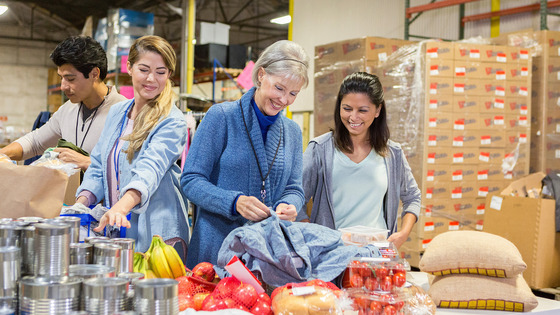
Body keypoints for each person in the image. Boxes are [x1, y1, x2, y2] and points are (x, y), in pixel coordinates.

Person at [181, 40, 309, 268]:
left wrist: (290, 205)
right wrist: (234, 202)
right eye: (279, 88)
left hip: (267, 255)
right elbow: (190, 181)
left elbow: (294, 188)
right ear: (261, 75)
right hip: (216, 250)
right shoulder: (221, 117)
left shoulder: (292, 132)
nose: (284, 100)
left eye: (293, 94)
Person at [75, 35, 189, 253]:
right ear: (129, 67)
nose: (152, 79)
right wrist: (81, 204)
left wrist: (121, 207)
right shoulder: (118, 112)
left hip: (158, 234)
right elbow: (99, 163)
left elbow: (150, 170)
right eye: (144, 69)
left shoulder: (171, 120)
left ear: (169, 75)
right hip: (119, 224)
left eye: (161, 72)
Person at [297, 72, 421, 249]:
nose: (353, 117)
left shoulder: (392, 154)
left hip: (376, 255)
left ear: (377, 110)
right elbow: (295, 196)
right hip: (330, 254)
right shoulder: (320, 149)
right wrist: (309, 229)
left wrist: (403, 234)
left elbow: (413, 197)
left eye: (362, 110)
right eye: (347, 108)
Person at [0, 35, 127, 171]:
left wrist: (88, 162)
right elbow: (35, 142)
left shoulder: (125, 114)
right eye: (61, 78)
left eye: (70, 79)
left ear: (94, 74)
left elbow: (129, 168)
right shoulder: (67, 110)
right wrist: (3, 155)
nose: (63, 87)